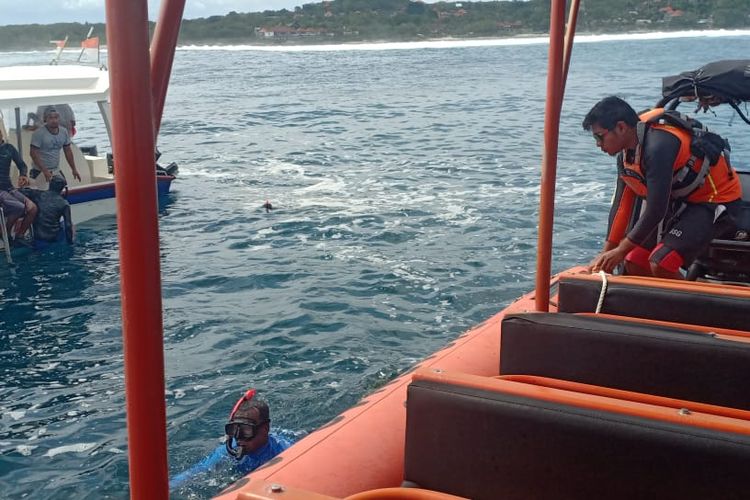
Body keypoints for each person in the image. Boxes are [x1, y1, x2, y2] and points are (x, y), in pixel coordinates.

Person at [582, 96, 742, 279]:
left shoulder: (659, 147)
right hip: (682, 201)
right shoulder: (626, 157)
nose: (597, 144)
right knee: (634, 261)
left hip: (716, 200)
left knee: (662, 261)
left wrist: (620, 250)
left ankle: (697, 306)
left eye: (599, 136)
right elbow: (621, 206)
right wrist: (606, 255)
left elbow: (656, 209)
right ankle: (660, 306)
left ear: (621, 127)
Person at [169, 389, 294, 490]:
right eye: (234, 429)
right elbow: (193, 473)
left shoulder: (285, 451)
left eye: (246, 430)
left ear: (265, 428)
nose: (239, 437)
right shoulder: (229, 450)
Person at [0, 128, 37, 242]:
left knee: (32, 208)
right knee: (18, 207)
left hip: (9, 188)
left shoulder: (9, 148)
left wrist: (23, 175)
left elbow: (22, 165)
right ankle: (5, 233)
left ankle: (20, 235)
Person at [29, 106, 81, 186]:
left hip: (55, 169)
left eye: (56, 117)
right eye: (51, 118)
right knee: (43, 194)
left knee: (63, 187)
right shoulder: (39, 133)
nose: (54, 120)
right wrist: (44, 171)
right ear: (45, 119)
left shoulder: (63, 132)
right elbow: (33, 153)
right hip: (39, 170)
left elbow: (68, 151)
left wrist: (74, 169)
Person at [21, 175, 74, 245]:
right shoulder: (64, 204)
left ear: (50, 184)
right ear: (62, 188)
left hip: (38, 237)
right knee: (71, 225)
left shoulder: (37, 194)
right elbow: (68, 226)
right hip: (54, 238)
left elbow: (18, 191)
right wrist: (70, 243)